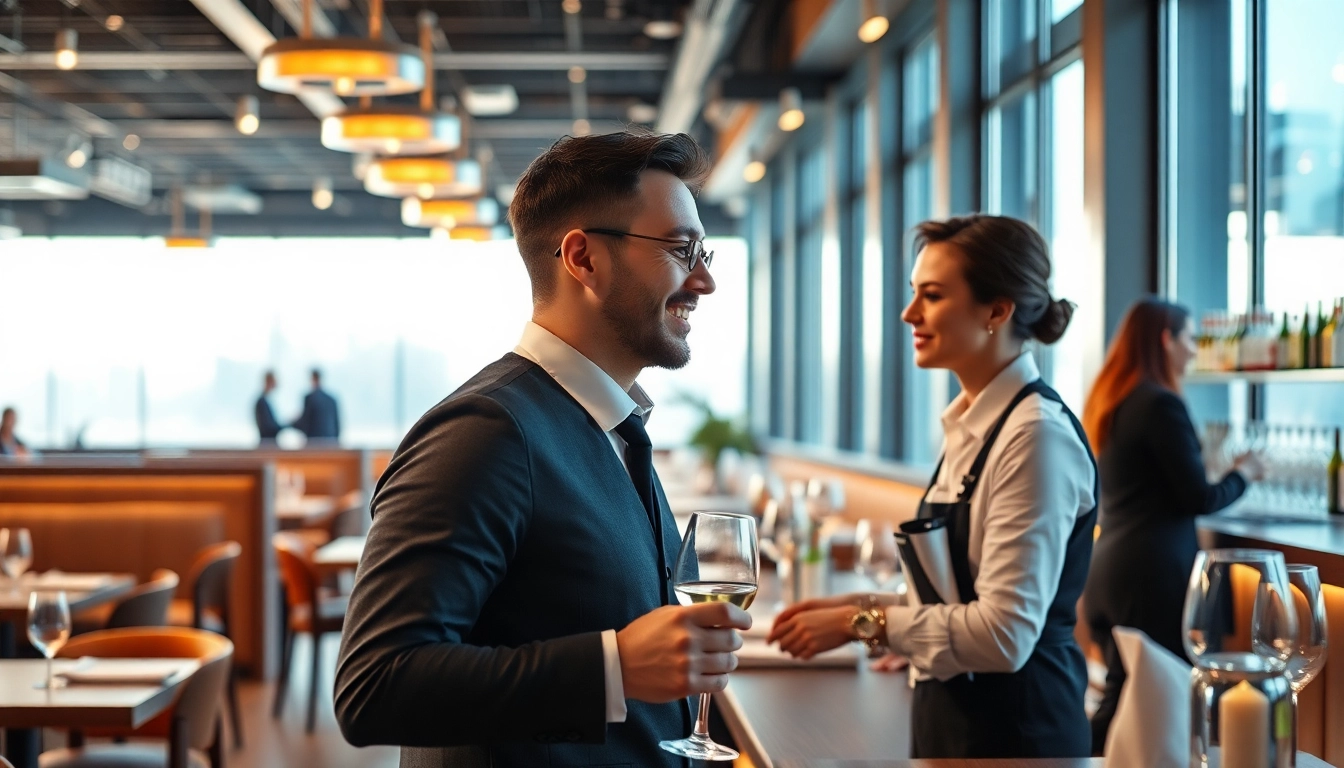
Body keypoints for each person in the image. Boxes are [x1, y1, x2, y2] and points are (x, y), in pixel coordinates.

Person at [334, 132, 750, 767]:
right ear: (583, 258)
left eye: (704, 251)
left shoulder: (611, 425)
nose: (705, 280)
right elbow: (375, 684)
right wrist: (612, 668)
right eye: (679, 249)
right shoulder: (486, 431)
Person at [768, 214, 1097, 759]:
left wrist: (862, 623)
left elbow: (1004, 634)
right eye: (914, 292)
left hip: (1018, 738)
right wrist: (865, 602)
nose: (909, 313)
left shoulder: (1035, 438)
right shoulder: (975, 424)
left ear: (997, 311)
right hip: (959, 724)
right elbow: (964, 594)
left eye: (933, 295)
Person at [1080, 297, 1265, 753]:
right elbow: (1198, 497)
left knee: (1124, 696)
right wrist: (1244, 473)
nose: (1194, 350)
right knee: (1159, 702)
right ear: (1166, 339)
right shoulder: (1160, 404)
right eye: (1189, 338)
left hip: (1111, 568)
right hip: (1153, 577)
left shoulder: (1114, 398)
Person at [291, 368, 340, 443]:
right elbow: (337, 426)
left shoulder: (310, 398)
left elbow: (305, 422)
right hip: (330, 443)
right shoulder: (332, 400)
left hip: (314, 443)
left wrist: (292, 423)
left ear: (312, 379)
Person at [254, 371, 284, 444]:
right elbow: (268, 428)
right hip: (267, 444)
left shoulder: (265, 400)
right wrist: (287, 425)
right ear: (269, 381)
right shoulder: (262, 402)